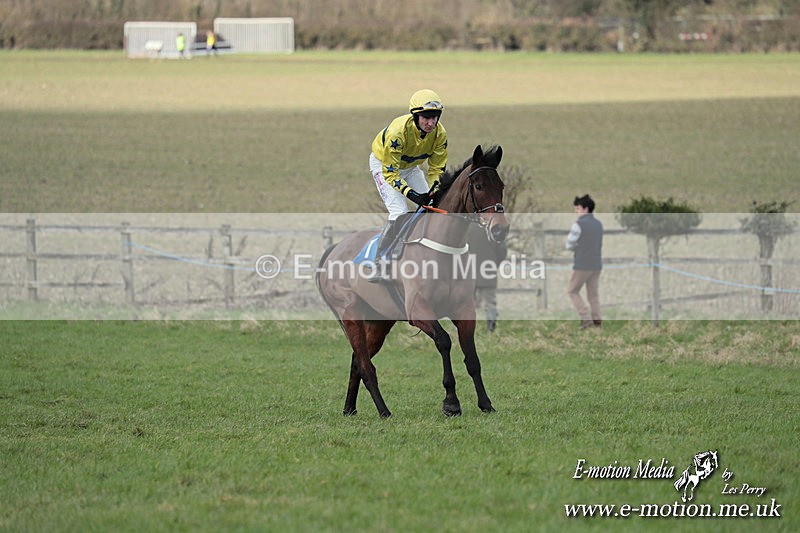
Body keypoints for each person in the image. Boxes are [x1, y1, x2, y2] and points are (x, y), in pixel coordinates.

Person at [366, 89, 448, 282]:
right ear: (415, 116)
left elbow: (436, 168)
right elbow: (391, 172)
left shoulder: (440, 134)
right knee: (400, 212)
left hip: (411, 168)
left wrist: (433, 190)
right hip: (385, 166)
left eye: (435, 117)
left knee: (434, 208)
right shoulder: (398, 133)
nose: (431, 123)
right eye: (426, 118)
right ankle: (379, 263)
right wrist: (411, 194)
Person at [566, 194, 603, 329]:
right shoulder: (598, 224)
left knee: (572, 291)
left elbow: (569, 244)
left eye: (578, 208)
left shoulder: (578, 225)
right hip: (596, 264)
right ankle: (597, 320)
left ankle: (585, 318)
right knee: (593, 294)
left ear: (586, 208)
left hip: (582, 264)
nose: (576, 211)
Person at [467, 224, 507, 332]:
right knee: (490, 302)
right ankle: (491, 329)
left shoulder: (467, 226)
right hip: (488, 270)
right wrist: (494, 264)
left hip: (468, 270)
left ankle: (464, 329)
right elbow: (502, 251)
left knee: (466, 303)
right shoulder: (494, 228)